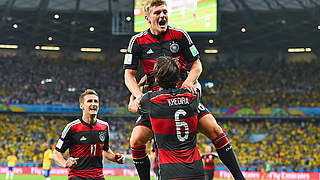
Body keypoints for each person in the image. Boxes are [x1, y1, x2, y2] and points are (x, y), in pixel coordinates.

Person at [123, 0, 245, 179]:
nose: (162, 15)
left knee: (216, 130)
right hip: (156, 102)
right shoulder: (138, 41)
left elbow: (197, 64)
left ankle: (239, 178)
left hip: (181, 97)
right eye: (157, 13)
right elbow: (129, 75)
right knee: (136, 140)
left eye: (164, 11)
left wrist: (188, 82)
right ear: (147, 18)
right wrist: (140, 96)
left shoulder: (180, 35)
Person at [129, 56, 205, 179]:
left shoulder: (150, 100)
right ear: (178, 77)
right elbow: (197, 85)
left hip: (170, 171)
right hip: (196, 170)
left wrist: (139, 86)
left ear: (156, 78)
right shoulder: (193, 97)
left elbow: (132, 106)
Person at [52, 89, 125, 180]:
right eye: (90, 101)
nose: (93, 104)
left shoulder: (104, 127)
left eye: (96, 101)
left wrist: (115, 158)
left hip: (98, 177)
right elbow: (56, 153)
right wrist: (65, 163)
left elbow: (105, 150)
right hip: (78, 177)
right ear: (82, 106)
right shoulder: (72, 128)